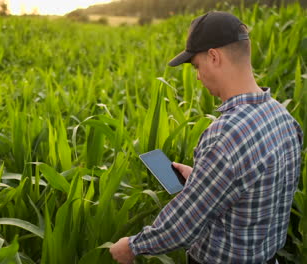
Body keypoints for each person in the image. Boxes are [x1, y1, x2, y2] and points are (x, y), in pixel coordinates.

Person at [109, 11, 304, 264]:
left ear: (214, 57)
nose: (198, 76)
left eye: (197, 66)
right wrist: (202, 178)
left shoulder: (225, 135)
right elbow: (253, 189)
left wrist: (133, 246)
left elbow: (183, 227)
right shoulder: (284, 117)